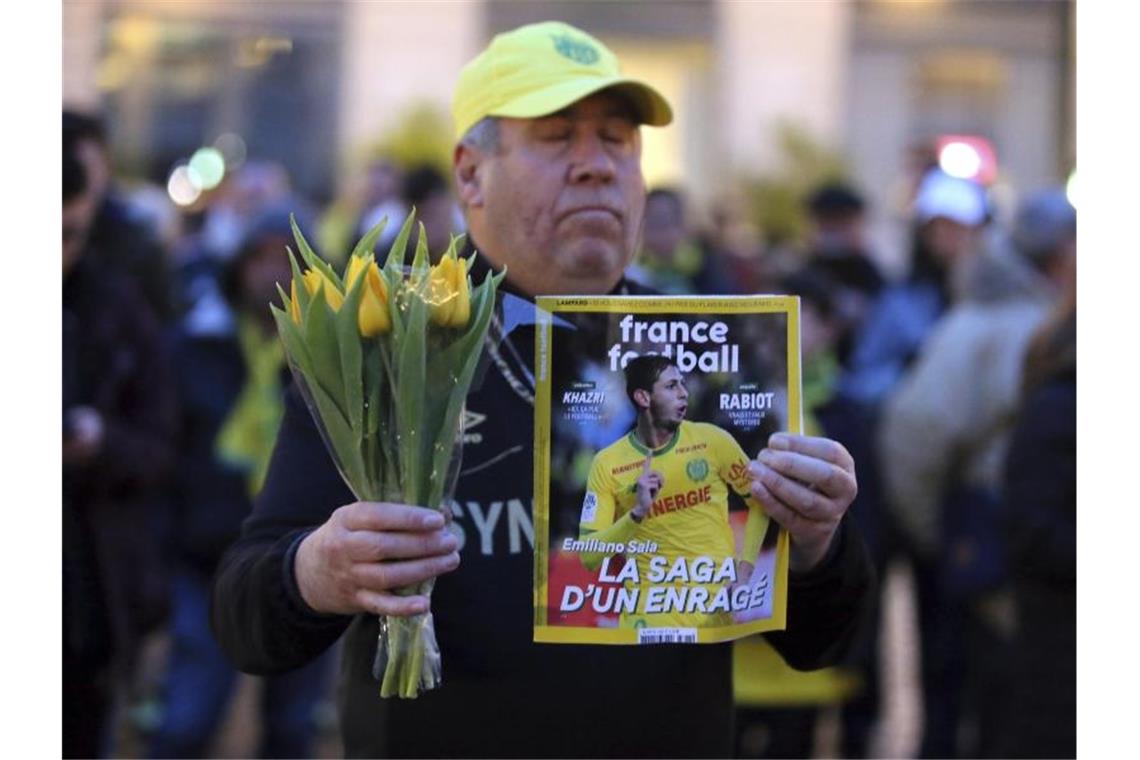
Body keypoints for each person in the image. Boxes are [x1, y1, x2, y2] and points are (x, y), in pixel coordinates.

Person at [212, 21, 873, 758]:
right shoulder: (381, 346)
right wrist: (316, 571)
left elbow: (823, 644)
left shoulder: (714, 353)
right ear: (470, 174)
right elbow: (245, 619)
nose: (595, 167)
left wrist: (816, 545)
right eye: (558, 138)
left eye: (618, 141)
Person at [878, 188, 1075, 757]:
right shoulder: (1009, 325)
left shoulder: (999, 318)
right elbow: (916, 433)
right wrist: (940, 536)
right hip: (994, 553)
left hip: (997, 549)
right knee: (972, 705)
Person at [151, 203, 335, 758]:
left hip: (306, 568)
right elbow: (166, 449)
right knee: (186, 720)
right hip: (203, 558)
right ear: (237, 265)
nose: (271, 271)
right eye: (258, 256)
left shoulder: (335, 354)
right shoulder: (194, 343)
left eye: (286, 257)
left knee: (291, 729)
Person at [64, 129, 177, 758]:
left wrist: (99, 443)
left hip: (89, 599)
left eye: (67, 236)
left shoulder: (115, 303)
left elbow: (161, 441)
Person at [577, 355, 774, 629]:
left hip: (712, 623)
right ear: (643, 397)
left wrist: (745, 569)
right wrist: (637, 514)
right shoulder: (607, 463)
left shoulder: (713, 440)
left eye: (683, 384)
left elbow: (760, 501)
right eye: (671, 386)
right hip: (644, 624)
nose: (684, 393)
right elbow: (589, 556)